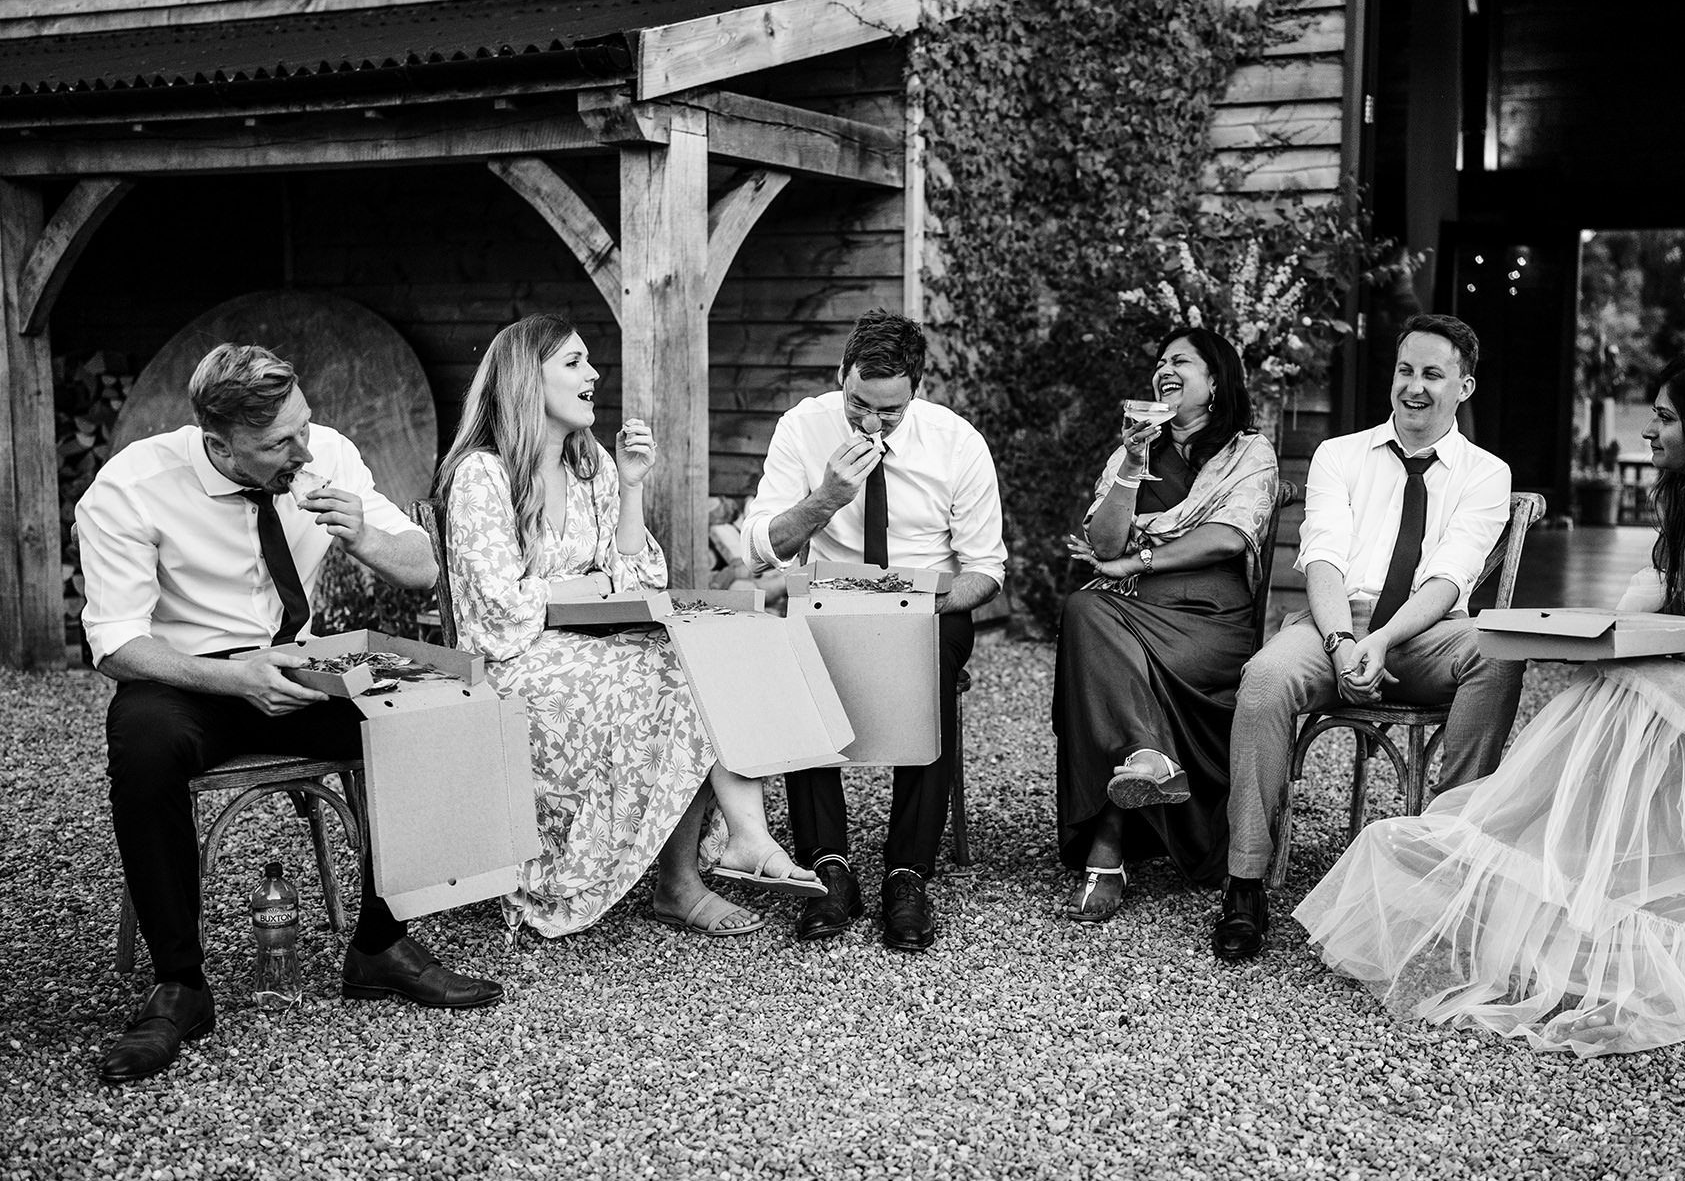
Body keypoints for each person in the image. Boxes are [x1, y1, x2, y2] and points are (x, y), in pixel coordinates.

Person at [1294, 352, 1685, 1055]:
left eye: (1663, 418)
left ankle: (1585, 867)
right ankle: (1561, 860)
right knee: (1614, 678)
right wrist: (1594, 639)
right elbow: (1652, 601)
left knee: (1648, 686)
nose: (1649, 434)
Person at [76, 343, 504, 1086]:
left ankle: (380, 943)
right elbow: (115, 643)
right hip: (192, 677)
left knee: (428, 709)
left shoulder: (325, 453)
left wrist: (364, 536)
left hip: (300, 662)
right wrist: (235, 678)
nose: (303, 448)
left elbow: (426, 565)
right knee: (141, 745)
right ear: (220, 443)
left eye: (304, 424)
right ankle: (180, 984)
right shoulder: (133, 487)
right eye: (279, 442)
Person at [435, 314, 821, 941]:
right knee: (674, 675)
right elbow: (495, 608)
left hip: (590, 646)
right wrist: (581, 588)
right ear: (525, 380)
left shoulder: (593, 469)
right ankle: (690, 876)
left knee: (703, 656)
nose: (593, 374)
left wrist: (633, 487)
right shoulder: (483, 474)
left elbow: (637, 578)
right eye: (573, 362)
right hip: (513, 663)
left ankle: (731, 848)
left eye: (589, 362)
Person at [1215, 313, 1523, 960]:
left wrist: (1380, 643)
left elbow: (1449, 577)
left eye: (1433, 375)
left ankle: (1445, 856)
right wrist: (1341, 642)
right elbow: (1322, 558)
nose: (1414, 386)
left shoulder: (1486, 472)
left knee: (1498, 649)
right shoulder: (1340, 453)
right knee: (1265, 678)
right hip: (1335, 622)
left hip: (1424, 631)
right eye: (1405, 370)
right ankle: (1245, 881)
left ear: (1463, 387)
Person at [742, 309, 1005, 951]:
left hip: (928, 612)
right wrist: (826, 498)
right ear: (842, 377)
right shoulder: (802, 428)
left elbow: (986, 572)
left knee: (932, 664)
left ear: (915, 390)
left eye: (888, 412)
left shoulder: (958, 443)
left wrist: (918, 605)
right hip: (831, 606)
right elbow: (760, 549)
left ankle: (907, 873)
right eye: (858, 403)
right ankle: (829, 867)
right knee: (793, 649)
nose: (870, 423)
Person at [1052, 327, 1279, 920]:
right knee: (1082, 608)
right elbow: (1102, 543)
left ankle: (1109, 845)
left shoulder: (1247, 451)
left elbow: (1229, 537)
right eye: (1159, 362)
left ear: (1215, 381)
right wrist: (1129, 464)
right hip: (1131, 606)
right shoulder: (1133, 452)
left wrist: (1139, 556)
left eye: (1181, 360)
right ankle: (1148, 758)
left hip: (1209, 619)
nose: (1164, 369)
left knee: (1100, 639)